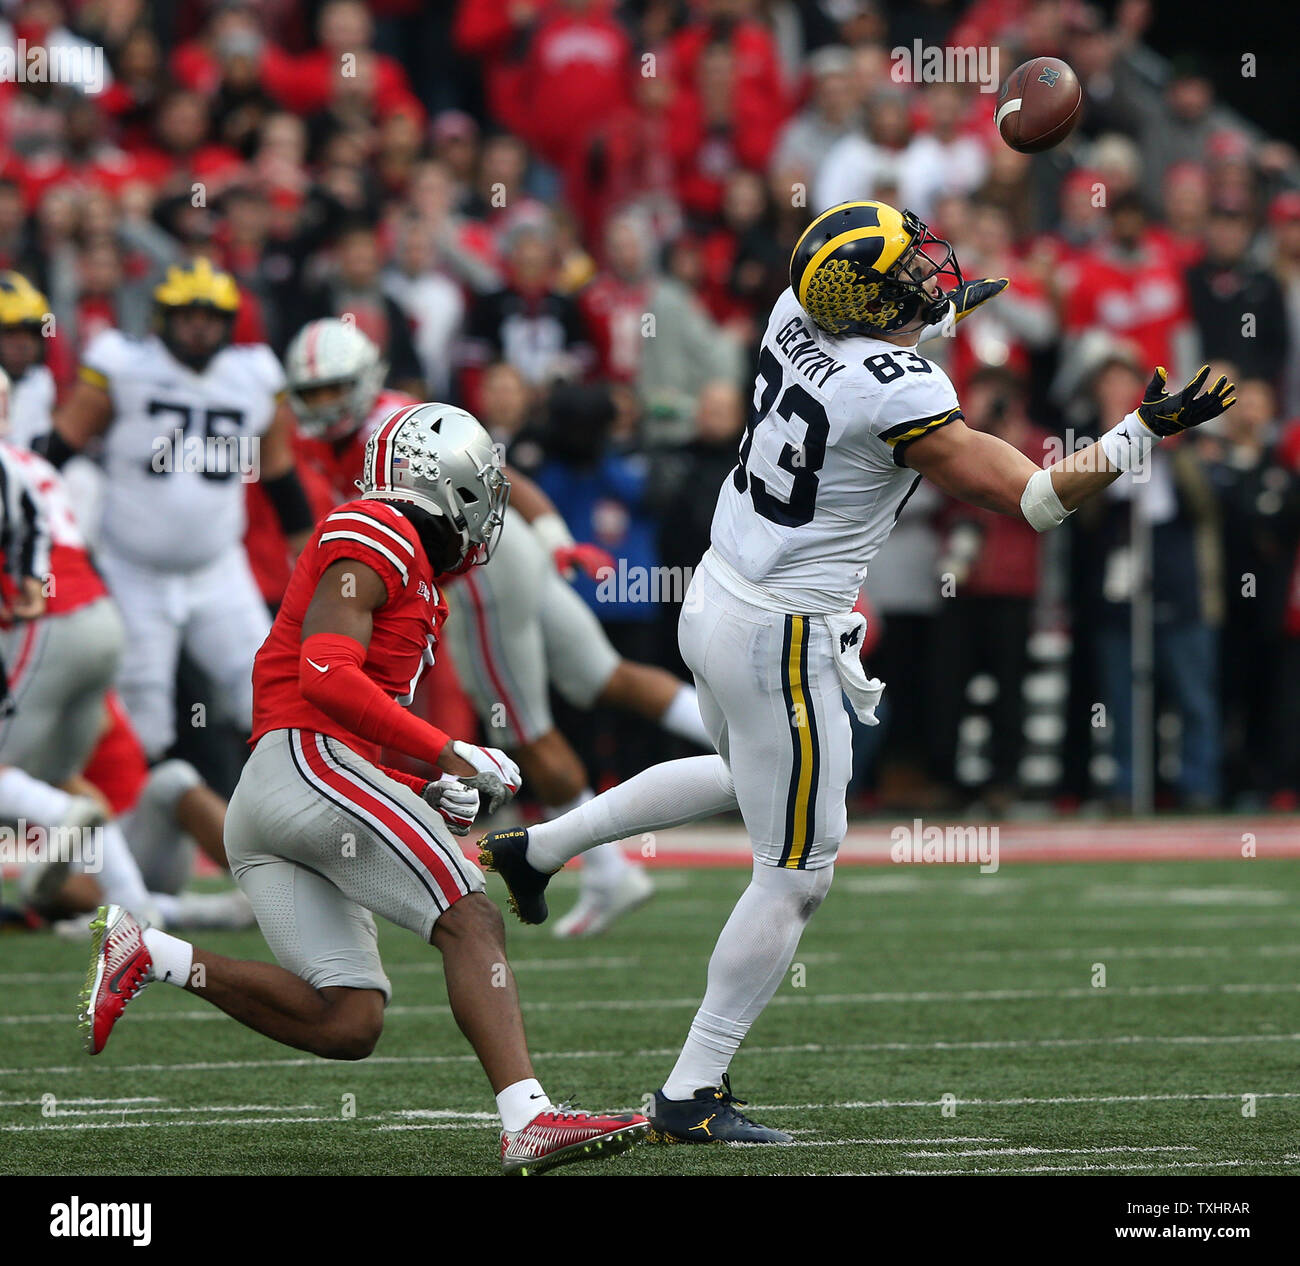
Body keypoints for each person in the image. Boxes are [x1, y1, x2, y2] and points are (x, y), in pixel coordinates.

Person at [478, 199, 1236, 1143]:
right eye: (911, 276)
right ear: (871, 303)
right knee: (798, 871)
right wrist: (1140, 432)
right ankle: (689, 1094)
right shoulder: (895, 391)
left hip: (719, 592)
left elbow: (873, 345)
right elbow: (1038, 498)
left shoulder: (793, 314)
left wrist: (941, 312)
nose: (931, 280)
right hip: (783, 632)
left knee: (745, 777)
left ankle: (538, 849)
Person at [79, 402, 648, 1175]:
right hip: (305, 764)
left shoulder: (409, 566)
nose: (490, 504)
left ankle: (151, 952)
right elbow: (324, 674)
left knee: (348, 1021)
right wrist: (449, 750)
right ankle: (529, 1119)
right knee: (471, 916)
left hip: (282, 793)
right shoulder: (377, 529)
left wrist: (425, 775)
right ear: (440, 480)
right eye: (480, 484)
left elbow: (354, 718)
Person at [44, 258, 315, 760]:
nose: (199, 326)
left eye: (211, 316)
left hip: (218, 569)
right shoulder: (123, 364)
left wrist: (311, 554)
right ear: (161, 316)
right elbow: (59, 447)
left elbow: (278, 472)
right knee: (142, 715)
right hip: (134, 571)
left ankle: (269, 818)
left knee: (268, 691)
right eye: (187, 314)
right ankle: (141, 826)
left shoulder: (254, 375)